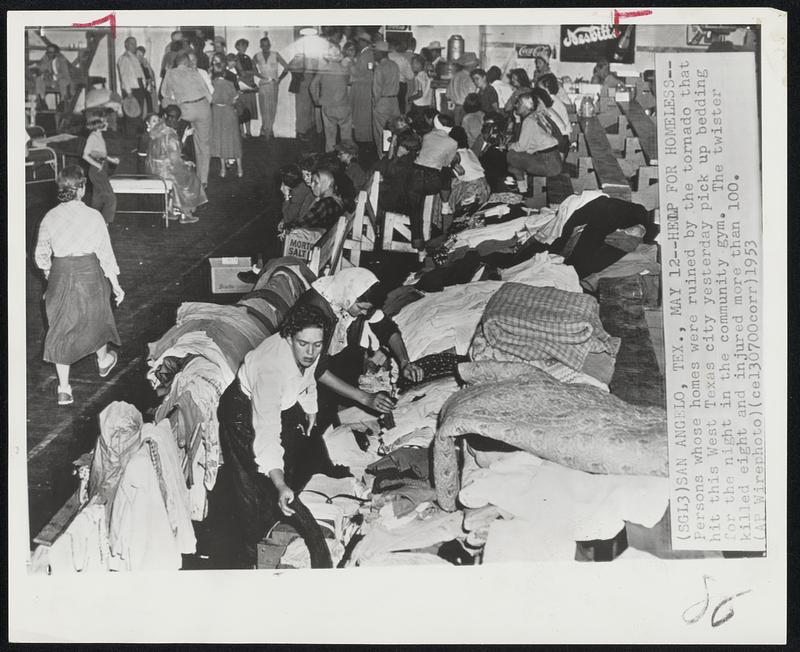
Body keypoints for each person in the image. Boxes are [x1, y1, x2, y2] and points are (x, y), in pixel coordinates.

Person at [216, 303, 336, 566]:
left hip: (277, 404)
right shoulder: (270, 369)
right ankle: (252, 557)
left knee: (281, 476)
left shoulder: (308, 346)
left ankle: (276, 520)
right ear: (289, 337)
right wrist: (280, 484)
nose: (311, 352)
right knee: (252, 487)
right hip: (240, 412)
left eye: (318, 345)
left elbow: (309, 375)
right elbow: (267, 434)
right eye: (304, 344)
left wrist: (310, 405)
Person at [34, 166, 124, 406]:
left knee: (61, 326)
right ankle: (104, 361)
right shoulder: (94, 216)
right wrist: (116, 285)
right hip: (89, 273)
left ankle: (64, 389)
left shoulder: (49, 217)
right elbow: (106, 255)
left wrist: (49, 277)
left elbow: (41, 256)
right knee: (97, 317)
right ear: (82, 188)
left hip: (60, 273)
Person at [294, 267, 424, 431]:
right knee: (315, 424)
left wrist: (405, 362)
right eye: (361, 307)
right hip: (302, 373)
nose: (363, 313)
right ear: (349, 296)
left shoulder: (350, 296)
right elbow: (316, 369)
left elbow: (386, 329)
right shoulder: (314, 310)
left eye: (366, 309)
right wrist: (365, 398)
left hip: (326, 360)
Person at [160, 51, 213, 187]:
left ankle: (175, 174)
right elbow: (208, 92)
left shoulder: (171, 73)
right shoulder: (195, 72)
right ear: (187, 62)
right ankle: (204, 179)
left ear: (176, 63)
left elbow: (164, 94)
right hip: (203, 107)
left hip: (185, 109)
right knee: (204, 144)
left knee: (175, 138)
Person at [408, 113, 457, 251]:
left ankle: (417, 240)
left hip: (415, 177)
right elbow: (446, 163)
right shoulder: (452, 143)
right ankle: (445, 204)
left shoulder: (427, 136)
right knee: (447, 171)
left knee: (415, 209)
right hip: (433, 181)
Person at [146, 112, 207, 224]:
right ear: (178, 120)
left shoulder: (156, 131)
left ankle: (170, 211)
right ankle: (186, 213)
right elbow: (175, 161)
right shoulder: (170, 135)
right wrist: (185, 164)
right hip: (165, 171)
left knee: (181, 175)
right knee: (188, 179)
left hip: (153, 170)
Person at [506, 92, 563, 193]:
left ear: (526, 106)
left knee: (511, 156)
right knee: (514, 165)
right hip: (554, 159)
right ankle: (523, 189)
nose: (516, 105)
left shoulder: (529, 121)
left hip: (548, 163)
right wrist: (518, 121)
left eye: (519, 103)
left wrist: (509, 145)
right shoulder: (535, 116)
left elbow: (521, 146)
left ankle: (523, 190)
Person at [310, 42, 353, 152]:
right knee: (346, 137)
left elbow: (312, 86)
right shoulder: (344, 69)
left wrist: (316, 101)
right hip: (343, 106)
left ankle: (330, 161)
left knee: (330, 138)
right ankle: (347, 160)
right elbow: (349, 82)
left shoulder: (323, 69)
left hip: (328, 107)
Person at [208, 54, 243, 179]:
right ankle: (233, 168)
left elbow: (236, 93)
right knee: (227, 139)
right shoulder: (217, 80)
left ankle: (230, 167)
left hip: (222, 111)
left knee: (227, 138)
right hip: (222, 112)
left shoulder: (224, 80)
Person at [82, 113, 119, 224]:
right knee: (111, 198)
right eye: (105, 121)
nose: (107, 123)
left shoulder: (99, 135)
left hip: (101, 168)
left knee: (97, 199)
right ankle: (105, 223)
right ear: (98, 124)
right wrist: (97, 165)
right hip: (97, 170)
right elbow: (85, 155)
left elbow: (99, 154)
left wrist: (111, 160)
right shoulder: (93, 136)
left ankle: (94, 223)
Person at [373, 129, 421, 214]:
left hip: (396, 201)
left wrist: (397, 156)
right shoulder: (413, 158)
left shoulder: (402, 163)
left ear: (403, 147)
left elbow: (389, 171)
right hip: (407, 198)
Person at [253, 36, 288, 141]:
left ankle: (270, 129)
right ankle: (264, 129)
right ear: (260, 46)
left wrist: (280, 79)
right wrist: (260, 76)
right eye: (263, 45)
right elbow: (251, 68)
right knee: (263, 108)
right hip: (263, 84)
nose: (265, 47)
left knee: (272, 108)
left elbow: (287, 67)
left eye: (267, 45)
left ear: (270, 45)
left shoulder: (275, 55)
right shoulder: (257, 56)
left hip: (273, 84)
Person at [448, 126, 490, 213]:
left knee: (464, 216)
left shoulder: (456, 155)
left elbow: (457, 172)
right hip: (484, 186)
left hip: (472, 189)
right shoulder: (469, 152)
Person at [371, 40, 401, 156]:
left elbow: (376, 89)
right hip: (394, 101)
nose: (374, 54)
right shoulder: (394, 65)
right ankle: (393, 156)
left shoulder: (380, 68)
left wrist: (375, 104)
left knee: (381, 133)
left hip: (382, 102)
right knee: (394, 131)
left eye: (375, 52)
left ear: (379, 53)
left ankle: (382, 158)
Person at [350, 30, 375, 146]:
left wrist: (354, 77)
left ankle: (364, 140)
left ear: (364, 42)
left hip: (363, 89)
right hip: (361, 88)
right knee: (360, 114)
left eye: (359, 41)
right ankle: (362, 138)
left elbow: (368, 74)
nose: (358, 43)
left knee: (362, 115)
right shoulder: (363, 54)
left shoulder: (367, 55)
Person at [118, 36, 150, 121]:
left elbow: (139, 73)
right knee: (131, 115)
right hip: (132, 90)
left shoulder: (134, 58)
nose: (134, 46)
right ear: (126, 45)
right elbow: (124, 76)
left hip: (139, 88)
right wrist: (129, 93)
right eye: (132, 44)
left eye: (135, 44)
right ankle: (131, 134)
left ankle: (137, 133)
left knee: (139, 114)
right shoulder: (124, 58)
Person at [35, 43, 73, 109]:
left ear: (56, 53)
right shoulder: (45, 58)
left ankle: (62, 101)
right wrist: (44, 73)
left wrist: (54, 76)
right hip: (49, 81)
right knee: (39, 79)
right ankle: (42, 101)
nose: (50, 54)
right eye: (48, 52)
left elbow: (65, 74)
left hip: (60, 80)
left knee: (63, 81)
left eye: (52, 52)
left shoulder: (62, 60)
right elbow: (41, 70)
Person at [233, 38, 258, 138]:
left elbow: (255, 71)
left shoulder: (248, 57)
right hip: (241, 85)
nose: (243, 48)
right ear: (237, 46)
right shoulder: (235, 58)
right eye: (241, 45)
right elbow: (241, 72)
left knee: (249, 110)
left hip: (250, 84)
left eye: (245, 46)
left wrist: (249, 72)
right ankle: (242, 133)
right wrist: (250, 71)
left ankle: (249, 132)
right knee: (241, 110)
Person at [446, 53, 479, 125]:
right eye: (475, 65)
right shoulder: (470, 78)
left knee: (455, 129)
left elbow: (448, 94)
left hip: (454, 108)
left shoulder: (455, 76)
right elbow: (473, 96)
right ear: (471, 66)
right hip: (466, 109)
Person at [388, 38, 414, 113]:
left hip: (387, 85)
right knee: (400, 107)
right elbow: (410, 76)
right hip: (400, 85)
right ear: (397, 46)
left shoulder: (385, 57)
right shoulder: (401, 59)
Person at [136, 46, 159, 113]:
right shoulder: (133, 65)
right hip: (138, 90)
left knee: (150, 105)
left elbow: (151, 76)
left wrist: (148, 66)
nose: (140, 56)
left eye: (142, 55)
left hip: (147, 90)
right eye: (138, 54)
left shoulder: (144, 64)